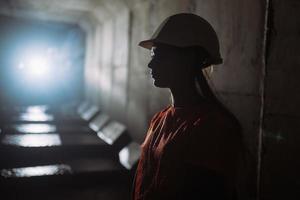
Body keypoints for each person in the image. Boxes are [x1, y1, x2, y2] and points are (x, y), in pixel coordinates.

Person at [132, 13, 246, 200]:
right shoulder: (160, 118)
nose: (151, 64)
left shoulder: (211, 126)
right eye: (153, 56)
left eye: (159, 56)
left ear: (186, 60)